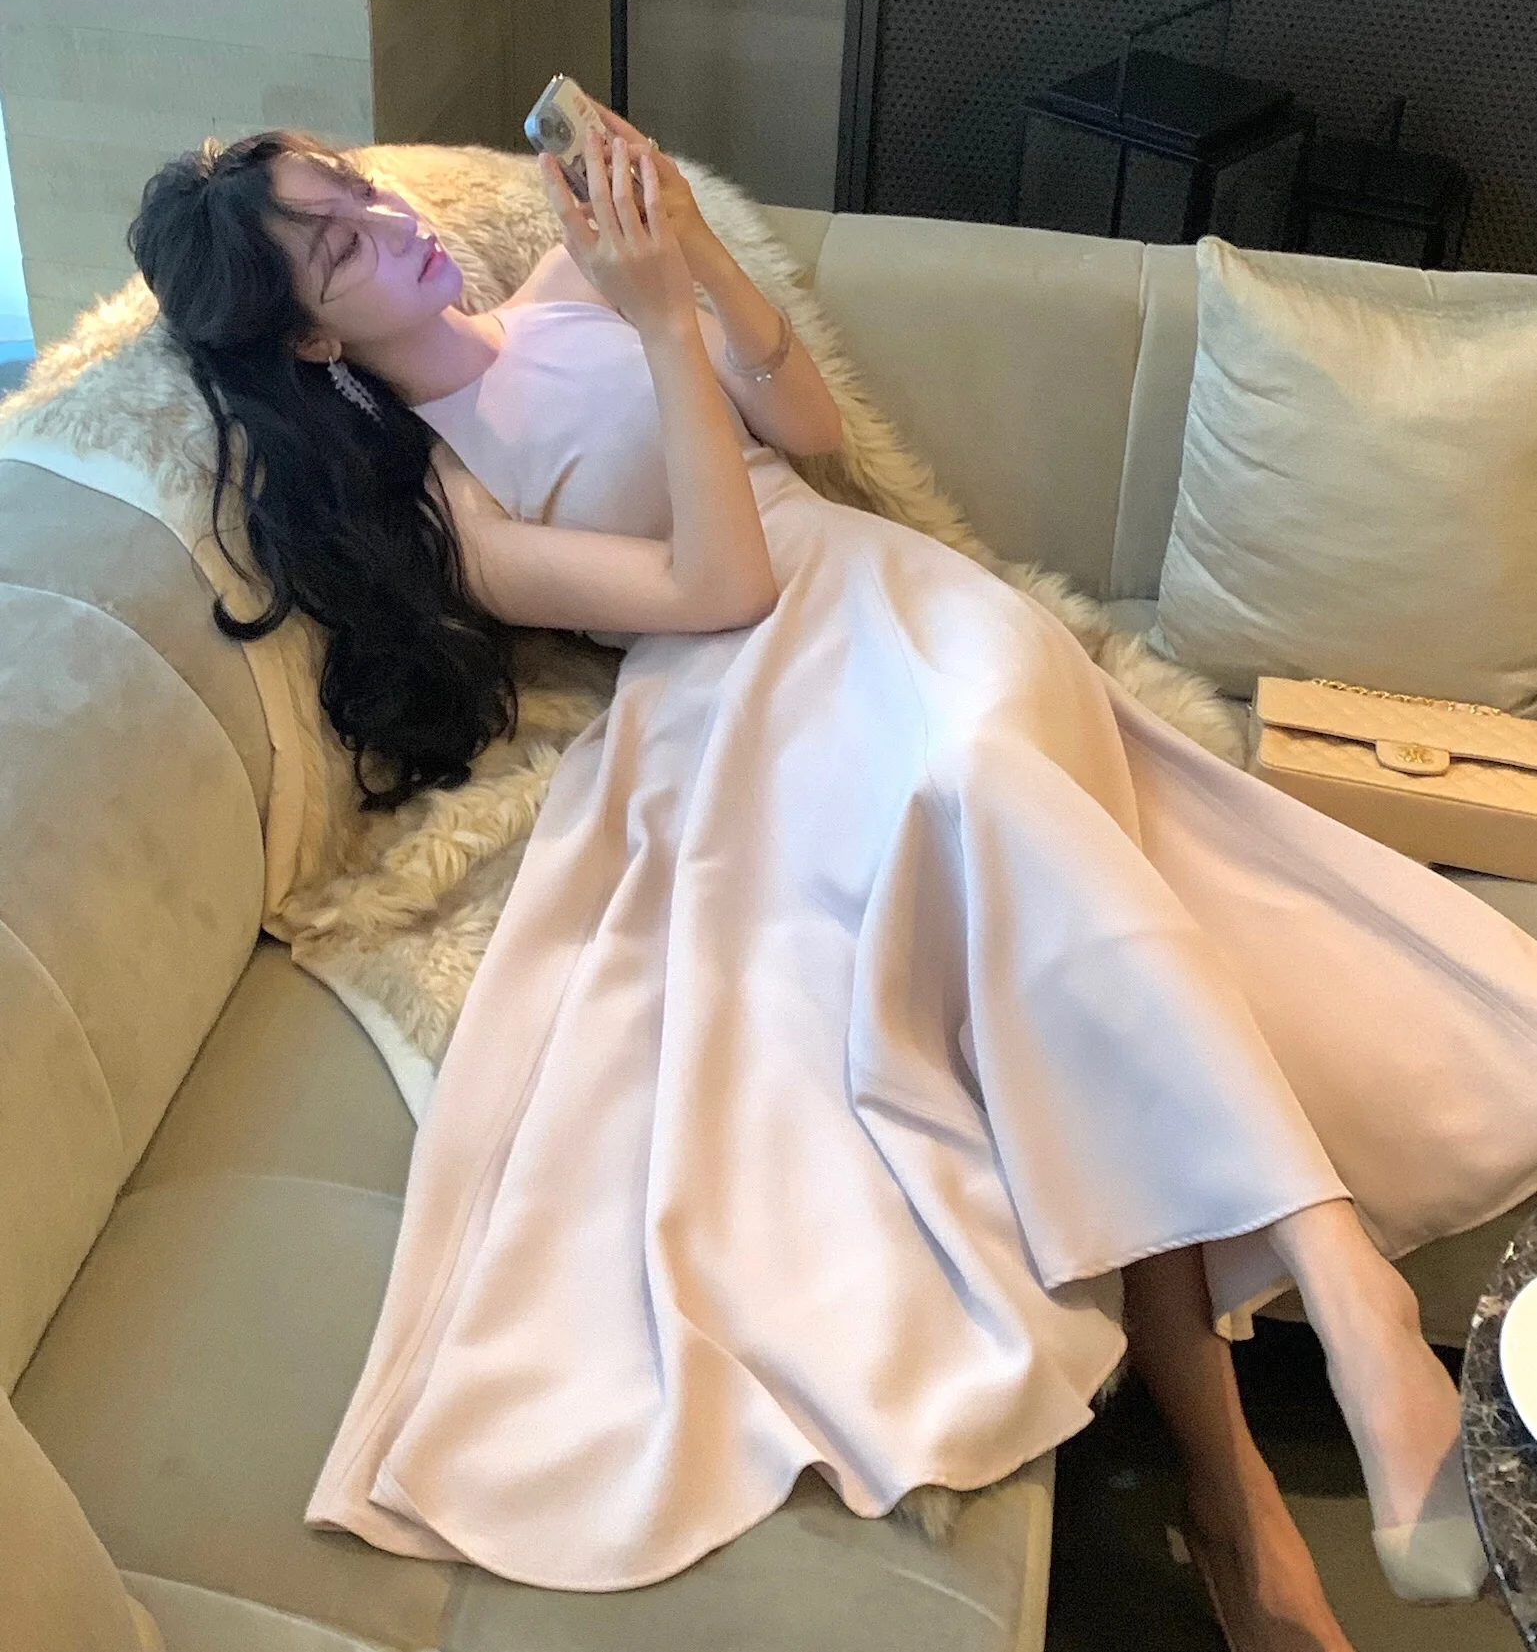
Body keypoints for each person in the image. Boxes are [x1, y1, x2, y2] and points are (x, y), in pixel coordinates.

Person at [127, 120, 1537, 1652]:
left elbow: (799, 425)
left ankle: (1325, 1318)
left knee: (990, 776)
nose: (389, 219)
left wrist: (685, 250)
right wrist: (663, 323)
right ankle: (1251, 1461)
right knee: (1022, 920)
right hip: (743, 697)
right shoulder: (449, 497)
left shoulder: (575, 284)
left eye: (356, 187)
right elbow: (715, 586)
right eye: (337, 244)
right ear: (312, 337)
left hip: (900, 603)